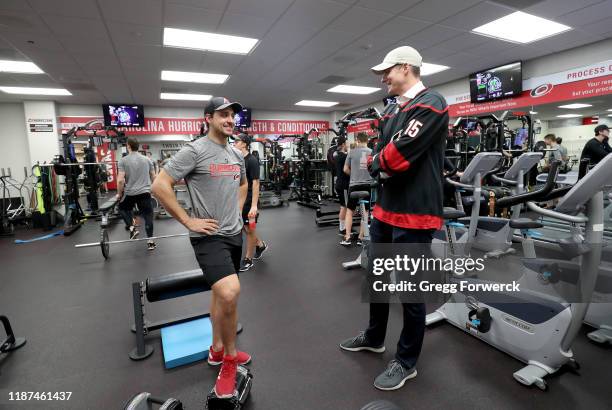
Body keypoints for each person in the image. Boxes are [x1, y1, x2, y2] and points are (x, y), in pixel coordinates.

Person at [340, 46, 448, 391]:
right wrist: (378, 162)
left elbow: (395, 157)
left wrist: (379, 162)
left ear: (406, 68)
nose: (382, 78)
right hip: (386, 208)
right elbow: (376, 155)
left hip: (415, 212)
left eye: (387, 71)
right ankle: (374, 337)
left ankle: (406, 361)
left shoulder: (432, 103)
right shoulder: (390, 113)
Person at [152, 97, 251, 399]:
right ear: (208, 118)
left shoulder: (235, 153)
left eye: (232, 115)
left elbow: (243, 184)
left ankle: (217, 348)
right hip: (208, 236)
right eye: (223, 114)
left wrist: (238, 209)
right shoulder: (194, 150)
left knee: (220, 293)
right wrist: (188, 221)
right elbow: (159, 185)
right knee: (231, 291)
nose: (229, 119)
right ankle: (230, 361)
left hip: (234, 234)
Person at [234, 133, 268, 271]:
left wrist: (254, 205)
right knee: (243, 227)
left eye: (237, 141)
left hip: (250, 202)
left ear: (244, 144)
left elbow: (255, 184)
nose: (234, 143)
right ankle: (260, 245)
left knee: (250, 228)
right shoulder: (237, 159)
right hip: (239, 200)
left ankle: (248, 258)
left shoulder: (252, 160)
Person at [116, 137, 157, 250]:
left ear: (128, 146)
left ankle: (132, 228)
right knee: (148, 216)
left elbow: (120, 180)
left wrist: (119, 194)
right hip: (145, 193)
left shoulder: (123, 160)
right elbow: (154, 177)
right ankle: (150, 242)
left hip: (130, 193)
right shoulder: (147, 159)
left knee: (122, 208)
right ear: (138, 146)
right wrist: (154, 190)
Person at [341, 132, 372, 246]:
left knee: (349, 211)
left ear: (357, 140)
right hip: (367, 185)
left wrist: (353, 174)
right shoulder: (371, 152)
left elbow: (345, 169)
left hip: (354, 185)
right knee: (366, 212)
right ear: (367, 140)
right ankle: (360, 238)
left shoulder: (351, 152)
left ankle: (348, 237)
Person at [333, 136, 349, 236]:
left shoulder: (337, 155)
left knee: (344, 206)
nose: (347, 145)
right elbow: (346, 170)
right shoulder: (343, 156)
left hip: (339, 184)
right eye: (346, 143)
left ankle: (343, 226)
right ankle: (343, 228)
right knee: (344, 207)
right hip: (343, 185)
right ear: (343, 144)